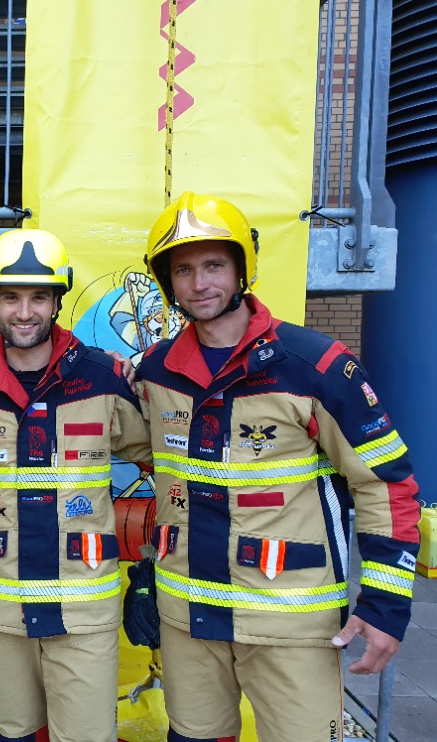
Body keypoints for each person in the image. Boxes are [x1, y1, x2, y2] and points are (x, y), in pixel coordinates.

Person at [135, 191, 421, 742]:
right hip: (188, 618)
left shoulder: (316, 366)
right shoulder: (157, 372)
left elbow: (385, 484)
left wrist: (386, 607)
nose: (199, 284)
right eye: (183, 270)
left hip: (290, 623)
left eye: (214, 265)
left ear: (242, 269)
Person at [0, 229, 153, 742]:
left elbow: (171, 464)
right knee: (17, 733)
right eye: (11, 297)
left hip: (83, 611)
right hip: (0, 610)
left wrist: (159, 563)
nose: (24, 312)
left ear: (57, 302)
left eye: (38, 298)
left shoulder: (105, 379)